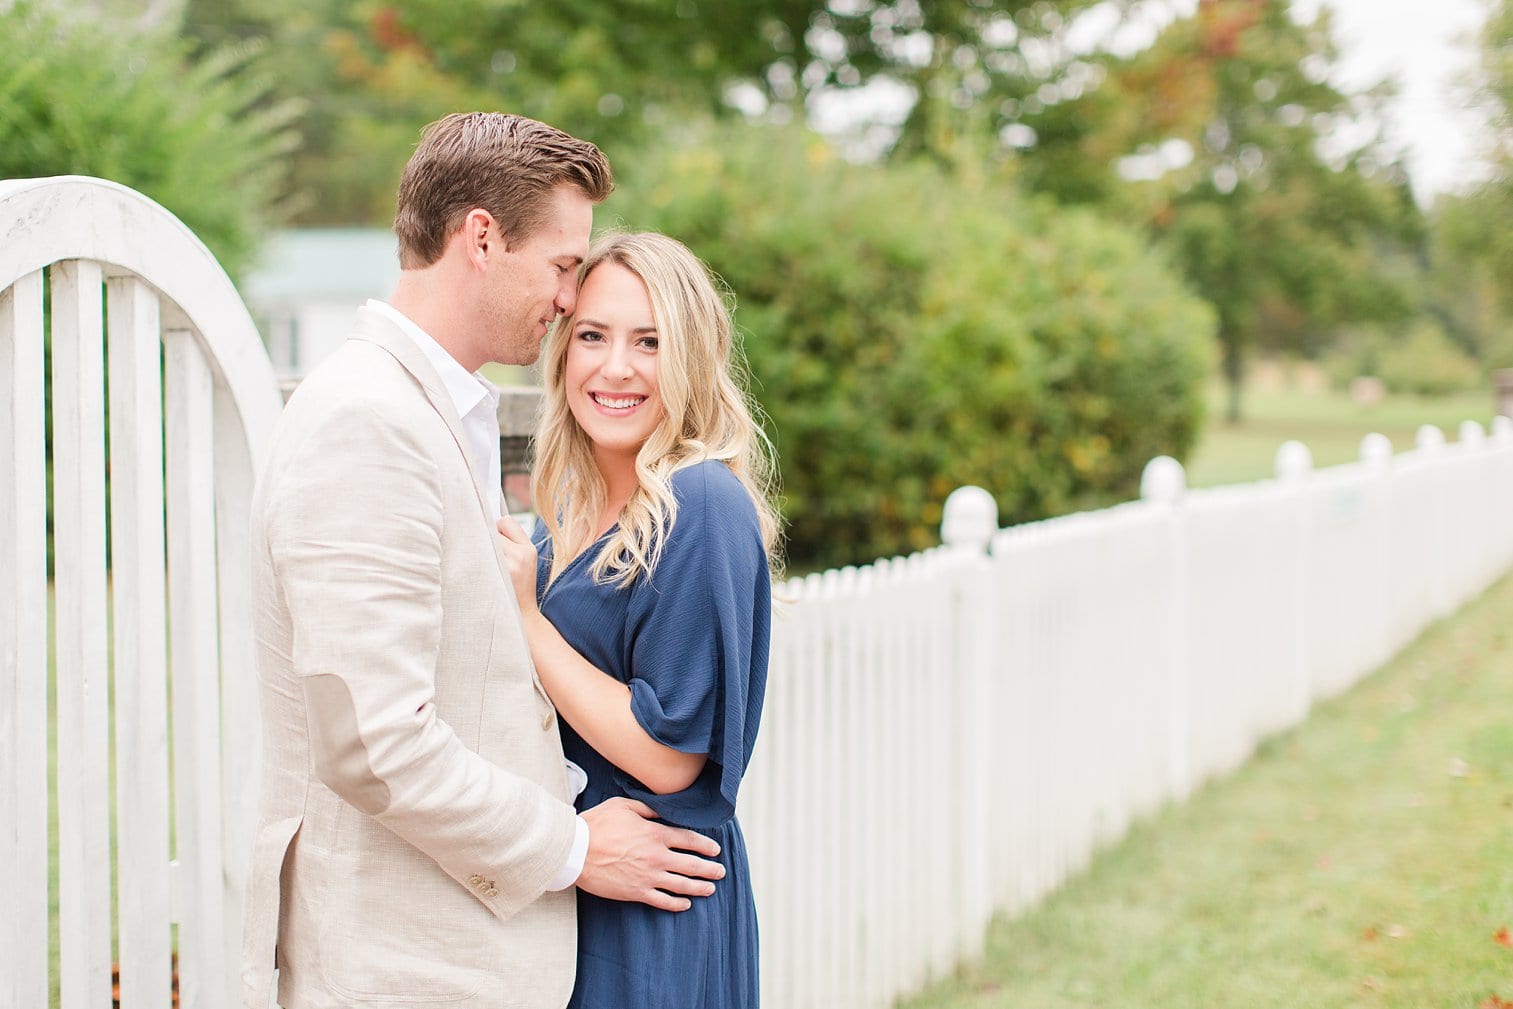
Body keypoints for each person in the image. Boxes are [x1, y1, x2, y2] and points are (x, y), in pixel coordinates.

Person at [240, 115, 727, 1009]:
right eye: (561, 264)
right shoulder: (365, 420)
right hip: (409, 970)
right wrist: (577, 848)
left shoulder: (433, 411)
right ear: (480, 237)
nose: (570, 296)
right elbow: (374, 742)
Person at [496, 232, 781, 1009]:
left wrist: (524, 615)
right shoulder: (567, 521)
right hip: (584, 887)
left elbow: (668, 758)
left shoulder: (700, 503)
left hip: (653, 912)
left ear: (688, 356)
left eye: (648, 342)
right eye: (591, 335)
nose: (614, 367)